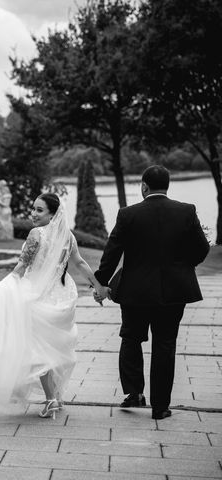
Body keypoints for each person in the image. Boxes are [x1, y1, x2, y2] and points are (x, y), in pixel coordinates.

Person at [0, 193, 107, 419]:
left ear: (53, 214)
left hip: (36, 297)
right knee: (50, 348)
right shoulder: (68, 236)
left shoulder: (37, 234)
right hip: (61, 297)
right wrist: (99, 287)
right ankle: (55, 395)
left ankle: (52, 399)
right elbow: (80, 263)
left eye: (39, 210)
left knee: (37, 351)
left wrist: (3, 288)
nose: (33, 214)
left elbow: (22, 267)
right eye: (33, 209)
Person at [93, 165, 210, 420]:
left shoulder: (128, 214)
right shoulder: (186, 211)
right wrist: (182, 266)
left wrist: (100, 283)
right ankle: (160, 407)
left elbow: (112, 253)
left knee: (131, 338)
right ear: (167, 185)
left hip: (135, 291)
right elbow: (202, 249)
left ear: (144, 186)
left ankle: (134, 393)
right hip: (175, 291)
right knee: (165, 345)